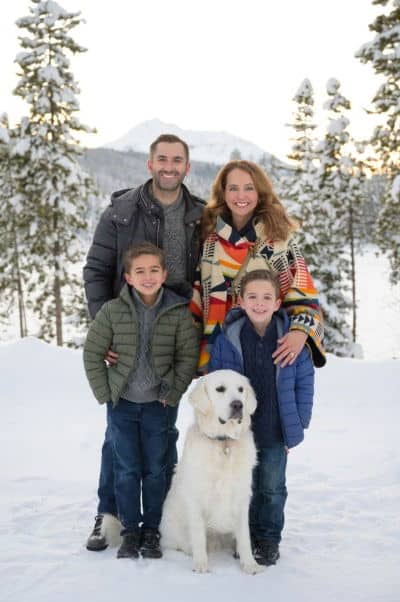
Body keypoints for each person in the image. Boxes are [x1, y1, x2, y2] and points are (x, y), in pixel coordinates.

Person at [83, 134, 204, 551]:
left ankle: (158, 519)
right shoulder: (121, 212)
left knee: (161, 438)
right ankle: (110, 515)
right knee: (117, 440)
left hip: (175, 331)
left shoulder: (200, 216)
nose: (170, 166)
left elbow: (209, 276)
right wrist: (108, 328)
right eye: (162, 159)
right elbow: (97, 270)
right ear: (150, 164)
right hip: (129, 332)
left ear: (187, 167)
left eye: (178, 160)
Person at [83, 242, 199, 559]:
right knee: (126, 468)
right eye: (139, 271)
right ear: (128, 278)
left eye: (153, 270)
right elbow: (92, 353)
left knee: (156, 469)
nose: (147, 277)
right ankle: (130, 530)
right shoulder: (112, 312)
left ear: (163, 274)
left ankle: (152, 529)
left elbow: (187, 358)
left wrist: (172, 393)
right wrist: (106, 392)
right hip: (122, 404)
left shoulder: (177, 312)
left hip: (159, 406)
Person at [209, 269, 315, 565]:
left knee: (271, 488)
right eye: (252, 297)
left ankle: (267, 538)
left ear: (278, 303)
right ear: (240, 301)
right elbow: (216, 382)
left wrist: (298, 424)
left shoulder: (291, 340)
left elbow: (304, 384)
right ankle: (245, 536)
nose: (259, 303)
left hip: (274, 431)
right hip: (239, 432)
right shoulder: (227, 340)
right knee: (243, 487)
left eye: (266, 297)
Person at [190, 159, 326, 372]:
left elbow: (304, 295)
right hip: (218, 354)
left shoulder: (278, 241)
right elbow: (198, 295)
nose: (240, 196)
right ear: (223, 193)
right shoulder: (210, 239)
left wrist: (300, 332)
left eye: (249, 188)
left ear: (260, 193)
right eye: (233, 188)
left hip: (265, 351)